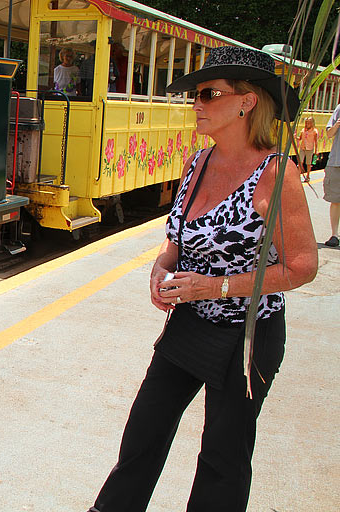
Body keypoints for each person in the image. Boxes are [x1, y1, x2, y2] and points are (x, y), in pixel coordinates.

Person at [88, 46, 318, 512]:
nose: (196, 104)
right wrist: (161, 264)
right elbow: (178, 235)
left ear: (246, 102)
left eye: (208, 94)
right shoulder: (199, 162)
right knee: (144, 433)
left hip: (249, 333)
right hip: (193, 324)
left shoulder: (276, 173)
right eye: (196, 95)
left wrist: (214, 287)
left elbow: (302, 266)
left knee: (223, 458)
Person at [323, 103, 340, 246]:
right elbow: (329, 134)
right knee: (336, 199)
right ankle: (334, 235)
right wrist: (337, 124)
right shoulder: (339, 108)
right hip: (337, 161)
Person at [296, 116, 318, 182]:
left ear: (312, 123)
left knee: (308, 163)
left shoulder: (314, 131)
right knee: (300, 162)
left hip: (310, 149)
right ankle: (298, 176)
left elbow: (316, 142)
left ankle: (308, 176)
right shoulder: (303, 130)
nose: (307, 124)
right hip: (303, 148)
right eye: (306, 123)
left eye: (309, 123)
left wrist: (316, 150)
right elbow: (299, 138)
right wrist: (295, 137)